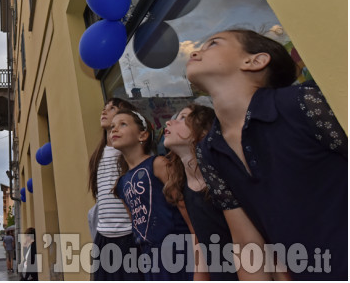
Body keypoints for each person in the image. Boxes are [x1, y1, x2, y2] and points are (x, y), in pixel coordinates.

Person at [187, 29, 348, 280]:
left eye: (213, 43)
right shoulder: (209, 150)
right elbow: (246, 245)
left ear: (255, 61)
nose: (195, 51)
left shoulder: (302, 103)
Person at [111, 110, 192, 280]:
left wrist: (198, 245)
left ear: (143, 135)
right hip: (151, 259)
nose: (114, 129)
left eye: (123, 124)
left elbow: (185, 207)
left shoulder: (158, 164)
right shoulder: (121, 183)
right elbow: (136, 224)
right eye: (112, 126)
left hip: (178, 250)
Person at [162, 104, 237, 280]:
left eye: (182, 118)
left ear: (204, 131)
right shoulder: (180, 189)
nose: (169, 123)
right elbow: (198, 239)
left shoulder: (224, 178)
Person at [87, 98, 141, 280]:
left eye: (112, 108)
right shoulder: (99, 154)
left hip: (128, 234)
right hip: (104, 236)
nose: (104, 111)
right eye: (104, 108)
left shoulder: (125, 151)